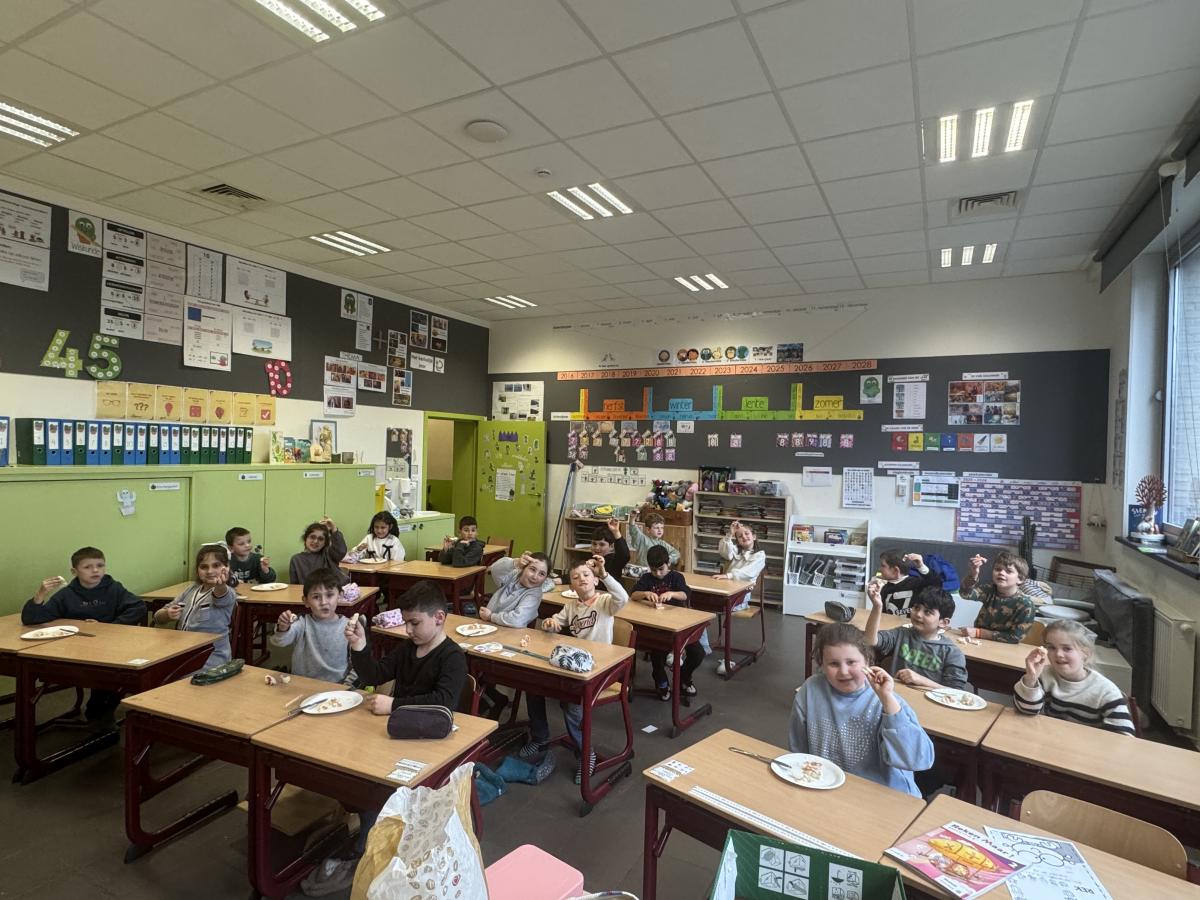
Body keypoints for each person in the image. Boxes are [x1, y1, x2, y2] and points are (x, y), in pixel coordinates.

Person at [309, 583, 467, 898]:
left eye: (414, 623)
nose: (408, 630)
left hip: (429, 740)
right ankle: (371, 828)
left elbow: (444, 702)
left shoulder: (452, 657)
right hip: (399, 732)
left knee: (377, 782)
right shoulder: (409, 649)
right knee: (356, 769)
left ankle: (375, 838)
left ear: (439, 617)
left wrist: (394, 705)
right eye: (406, 622)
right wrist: (359, 646)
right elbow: (374, 675)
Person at [789, 623, 934, 797]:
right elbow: (798, 748)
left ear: (868, 661)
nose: (843, 672)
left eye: (851, 662)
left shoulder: (888, 702)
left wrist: (888, 701)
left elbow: (919, 760)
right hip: (830, 790)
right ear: (822, 665)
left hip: (885, 796)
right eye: (833, 664)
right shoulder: (810, 689)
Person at [522, 556, 629, 784]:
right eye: (576, 577)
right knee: (533, 685)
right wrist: (550, 623)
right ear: (571, 585)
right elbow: (556, 621)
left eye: (587, 575)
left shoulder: (605, 603)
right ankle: (540, 737)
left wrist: (605, 574)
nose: (582, 579)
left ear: (595, 580)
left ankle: (586, 753)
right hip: (577, 666)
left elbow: (623, 597)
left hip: (601, 670)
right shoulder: (571, 606)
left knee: (572, 704)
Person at [22, 546, 146, 725]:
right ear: (74, 571)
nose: (95, 570)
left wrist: (110, 626)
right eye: (87, 567)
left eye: (100, 566)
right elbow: (31, 619)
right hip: (77, 651)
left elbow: (138, 607)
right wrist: (40, 594)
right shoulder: (67, 594)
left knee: (114, 677)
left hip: (110, 648)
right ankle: (97, 716)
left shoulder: (114, 588)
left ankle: (100, 715)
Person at [1014, 620, 1135, 735]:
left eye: (1067, 648)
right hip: (1048, 740)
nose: (1058, 654)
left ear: (1086, 653)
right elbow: (1026, 711)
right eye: (1051, 647)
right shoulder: (1044, 675)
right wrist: (1031, 679)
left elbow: (1123, 737)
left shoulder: (1106, 692)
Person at [476, 551, 553, 718]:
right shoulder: (513, 577)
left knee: (473, 665)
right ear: (523, 568)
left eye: (542, 574)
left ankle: (488, 702)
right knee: (463, 661)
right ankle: (489, 701)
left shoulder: (534, 593)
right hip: (488, 632)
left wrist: (491, 616)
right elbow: (495, 569)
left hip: (508, 640)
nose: (535, 577)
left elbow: (517, 620)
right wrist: (515, 562)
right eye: (532, 569)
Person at [630, 544, 705, 701]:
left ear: (668, 563)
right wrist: (645, 593)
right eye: (653, 570)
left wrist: (672, 594)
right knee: (657, 656)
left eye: (661, 569)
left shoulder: (676, 577)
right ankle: (662, 683)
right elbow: (633, 595)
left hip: (679, 625)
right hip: (657, 627)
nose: (657, 574)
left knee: (698, 653)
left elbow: (685, 594)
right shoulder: (646, 578)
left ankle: (684, 676)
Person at [864, 584, 969, 690]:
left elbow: (957, 693)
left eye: (927, 612)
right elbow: (870, 641)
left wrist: (921, 681)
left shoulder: (952, 653)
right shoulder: (901, 633)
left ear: (943, 622)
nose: (918, 614)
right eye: (916, 607)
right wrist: (877, 607)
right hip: (896, 695)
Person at [153, 544, 237, 670]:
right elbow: (157, 617)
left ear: (226, 568)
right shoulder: (191, 589)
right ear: (197, 570)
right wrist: (167, 614)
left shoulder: (227, 592)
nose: (210, 571)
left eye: (216, 565)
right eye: (204, 567)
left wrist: (221, 585)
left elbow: (221, 595)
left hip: (212, 660)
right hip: (185, 653)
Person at [270, 568, 354, 684]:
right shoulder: (302, 623)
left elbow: (357, 663)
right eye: (316, 597)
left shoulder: (348, 626)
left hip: (336, 685)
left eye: (329, 595)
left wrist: (346, 686)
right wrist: (283, 628)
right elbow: (280, 642)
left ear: (340, 596)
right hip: (302, 683)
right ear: (306, 601)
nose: (323, 602)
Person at [957, 551, 1040, 643]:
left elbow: (1015, 637)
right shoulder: (989, 589)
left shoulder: (1026, 605)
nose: (1001, 573)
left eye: (1008, 571)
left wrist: (979, 633)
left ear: (1020, 579)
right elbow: (965, 594)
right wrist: (973, 574)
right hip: (978, 641)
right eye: (998, 569)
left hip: (1004, 647)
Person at [713, 519, 766, 612]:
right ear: (737, 541)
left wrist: (728, 575)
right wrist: (730, 534)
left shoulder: (760, 556)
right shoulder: (736, 550)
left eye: (747, 534)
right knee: (703, 601)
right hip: (726, 588)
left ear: (754, 536)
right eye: (740, 536)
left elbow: (747, 572)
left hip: (740, 594)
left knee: (715, 604)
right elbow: (725, 553)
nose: (744, 537)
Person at [872, 550, 943, 616]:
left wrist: (921, 567)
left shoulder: (916, 584)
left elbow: (937, 584)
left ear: (896, 570)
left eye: (883, 566)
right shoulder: (884, 589)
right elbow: (883, 616)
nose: (879, 569)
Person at [289, 518, 349, 587]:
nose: (315, 541)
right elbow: (294, 586)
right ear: (305, 539)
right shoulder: (296, 560)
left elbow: (341, 551)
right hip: (310, 593)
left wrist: (334, 529)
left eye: (320, 539)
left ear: (325, 543)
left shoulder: (329, 554)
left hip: (333, 591)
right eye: (312, 537)